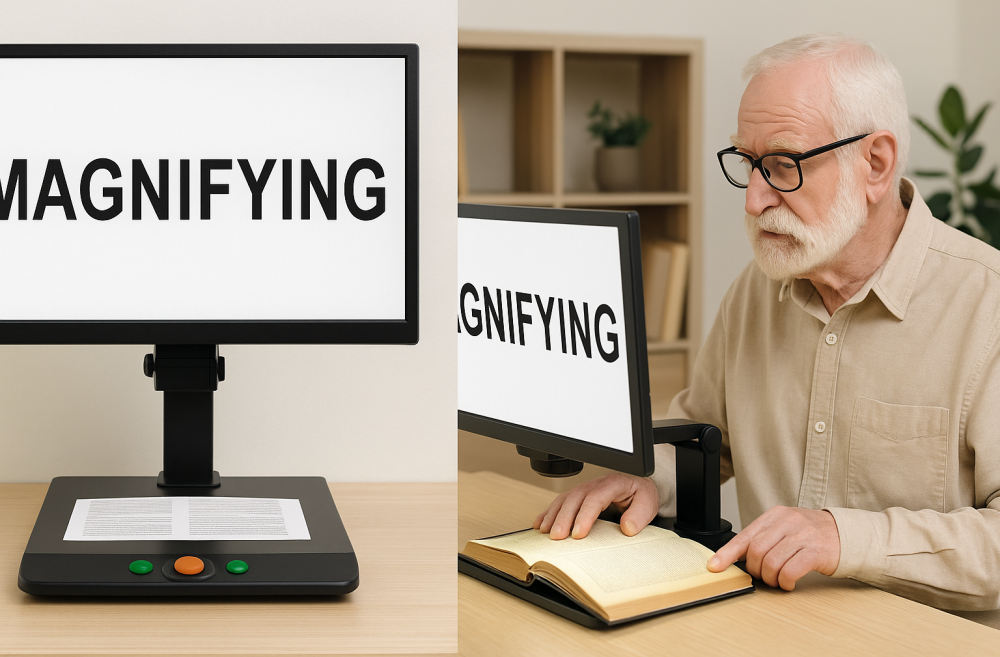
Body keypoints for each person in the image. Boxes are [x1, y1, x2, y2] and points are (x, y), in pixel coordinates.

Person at [534, 32, 1000, 618]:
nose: (754, 200)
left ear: (875, 164)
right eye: (748, 164)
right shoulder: (754, 294)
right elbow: (707, 439)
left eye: (783, 165)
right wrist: (649, 482)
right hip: (765, 629)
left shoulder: (988, 308)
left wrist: (843, 538)